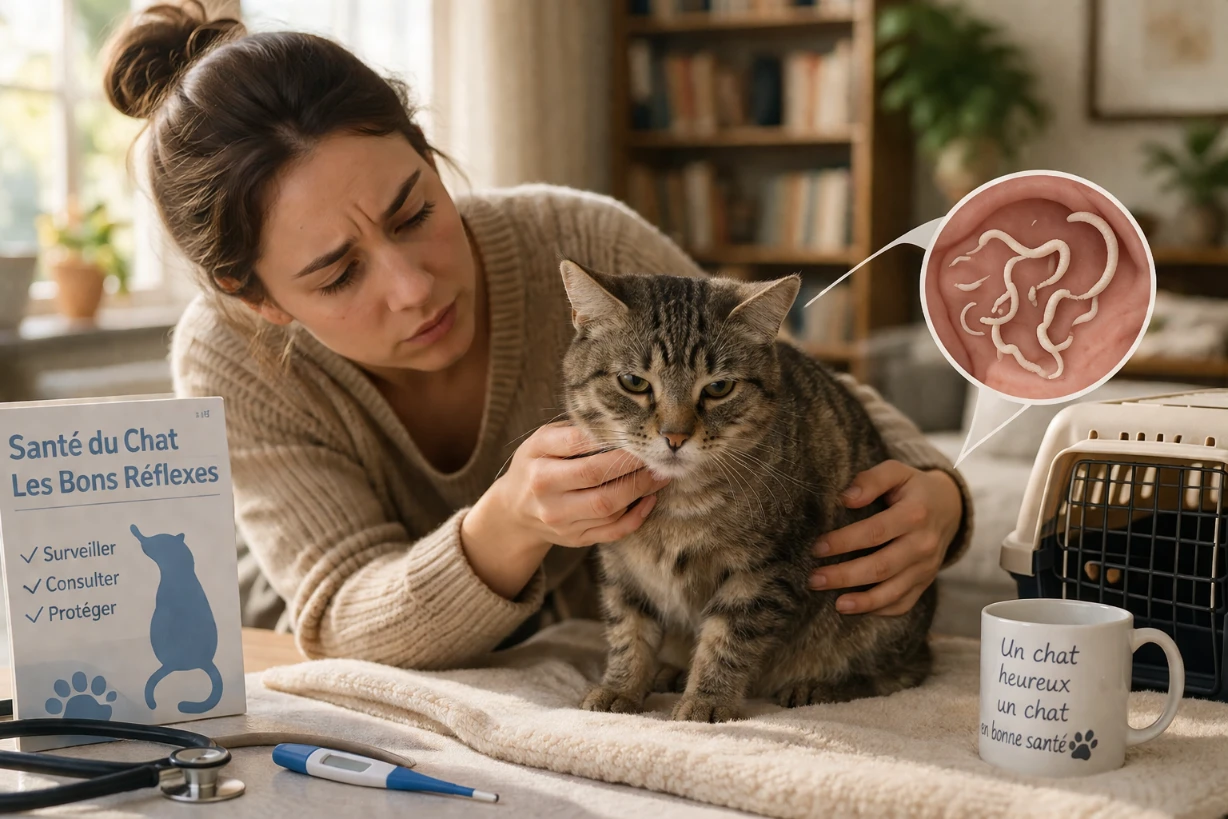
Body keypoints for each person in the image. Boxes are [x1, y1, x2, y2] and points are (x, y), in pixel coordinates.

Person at [102, 1, 975, 670]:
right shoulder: (226, 357)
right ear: (255, 299)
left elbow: (788, 384)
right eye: (337, 274)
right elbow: (336, 619)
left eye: (415, 212)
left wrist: (939, 496)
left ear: (429, 152)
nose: (413, 287)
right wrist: (508, 525)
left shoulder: (581, 243)